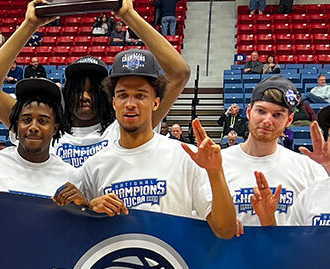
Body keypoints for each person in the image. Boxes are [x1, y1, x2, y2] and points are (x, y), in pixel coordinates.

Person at [0, 0, 187, 169]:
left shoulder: (126, 126)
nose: (85, 96)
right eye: (78, 89)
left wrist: (129, 15)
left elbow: (179, 73)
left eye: (93, 90)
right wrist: (29, 25)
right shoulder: (45, 128)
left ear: (109, 97)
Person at [51, 48, 241, 239]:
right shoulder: (94, 166)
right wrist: (91, 207)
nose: (130, 104)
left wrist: (215, 172)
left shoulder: (185, 156)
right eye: (123, 95)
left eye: (140, 95)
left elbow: (225, 230)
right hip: (114, 266)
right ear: (114, 101)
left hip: (171, 267)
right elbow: (79, 232)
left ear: (156, 103)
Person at [219, 76, 329, 226]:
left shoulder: (309, 171)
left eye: (277, 114)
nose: (267, 120)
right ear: (249, 112)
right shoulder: (218, 165)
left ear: (289, 120)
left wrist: (329, 167)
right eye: (261, 111)